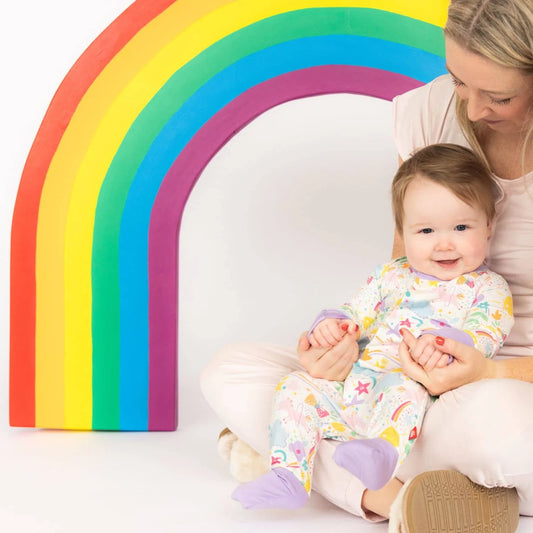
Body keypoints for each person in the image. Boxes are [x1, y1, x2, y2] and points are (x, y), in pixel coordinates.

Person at [201, 0, 533, 530]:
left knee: (505, 427)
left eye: (499, 96)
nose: (470, 112)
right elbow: (401, 269)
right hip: (392, 378)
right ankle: (404, 497)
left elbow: (485, 355)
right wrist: (335, 348)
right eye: (458, 81)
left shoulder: (488, 293)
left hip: (503, 386)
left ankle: (305, 456)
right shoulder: (429, 112)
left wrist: (487, 370)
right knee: (231, 371)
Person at [230, 143, 514, 510]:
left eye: (461, 227)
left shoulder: (488, 288)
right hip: (355, 387)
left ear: (489, 225)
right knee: (295, 386)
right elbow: (356, 314)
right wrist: (332, 327)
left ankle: (380, 457)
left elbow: (485, 336)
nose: (444, 244)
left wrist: (446, 346)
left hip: (417, 397)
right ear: (402, 231)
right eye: (426, 230)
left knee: (405, 391)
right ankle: (289, 476)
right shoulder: (391, 275)